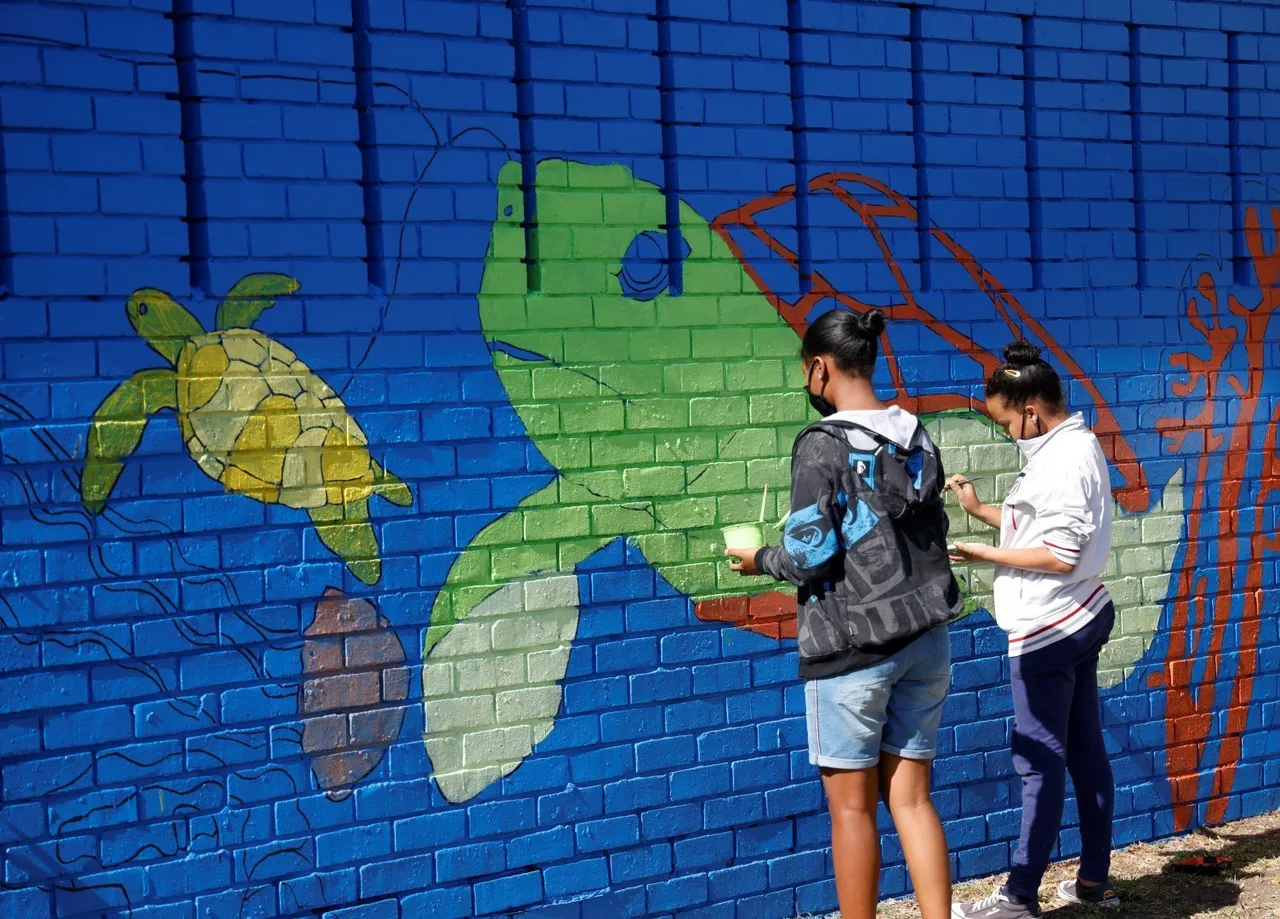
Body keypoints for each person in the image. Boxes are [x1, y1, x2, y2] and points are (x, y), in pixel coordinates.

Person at [726, 308, 963, 919]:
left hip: (852, 649)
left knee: (852, 810)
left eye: (807, 373)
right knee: (912, 802)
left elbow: (808, 555)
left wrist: (757, 558)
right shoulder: (916, 434)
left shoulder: (822, 446)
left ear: (820, 368)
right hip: (926, 638)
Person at [947, 342, 1120, 918]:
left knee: (1038, 762)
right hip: (1080, 614)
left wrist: (983, 552)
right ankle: (1093, 881)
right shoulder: (1072, 445)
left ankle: (1019, 897)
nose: (1007, 432)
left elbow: (1062, 552)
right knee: (1084, 750)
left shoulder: (1063, 459)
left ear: (1029, 409)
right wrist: (983, 513)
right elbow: (1043, 524)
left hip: (1051, 626)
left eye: (1004, 421)